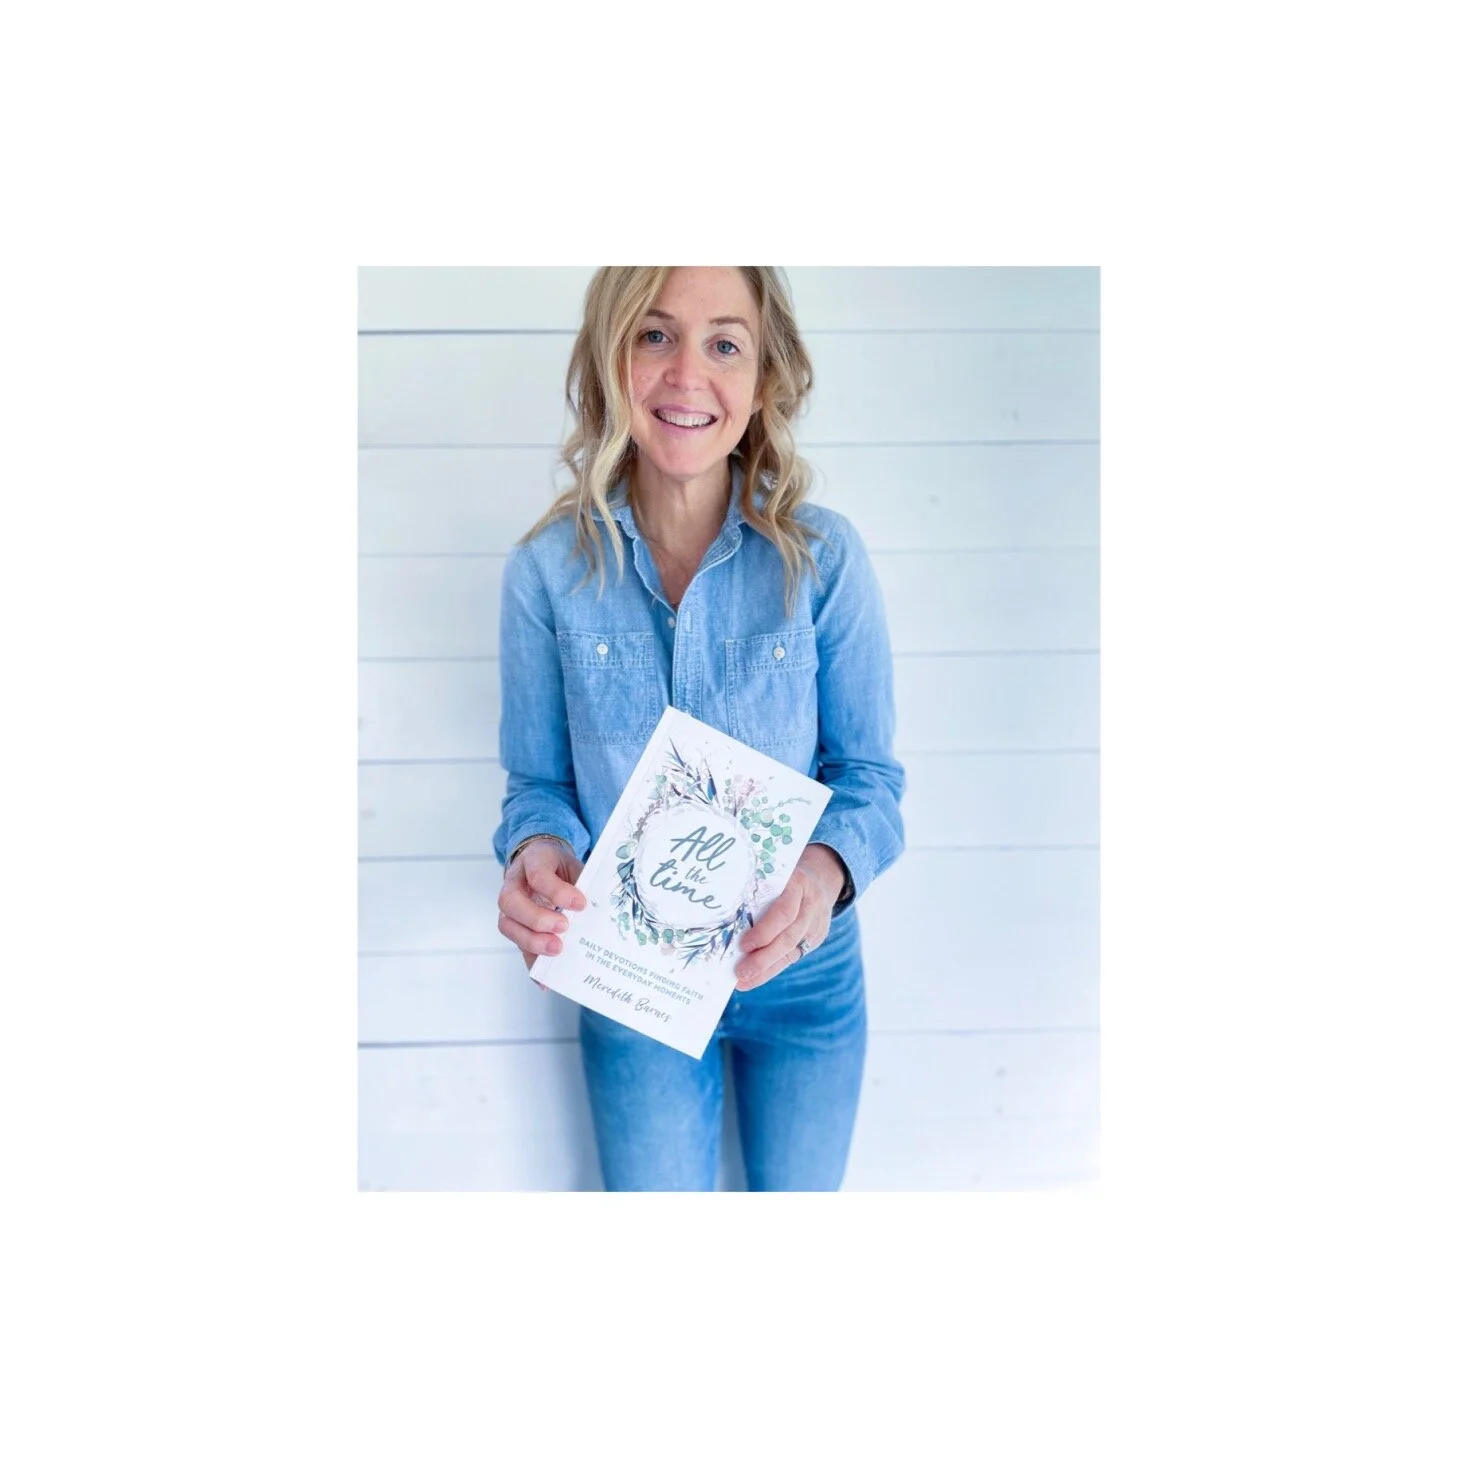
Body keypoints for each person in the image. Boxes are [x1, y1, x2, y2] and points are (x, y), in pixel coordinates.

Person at [492, 267, 904, 1191]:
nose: (687, 373)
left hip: (804, 978)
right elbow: (538, 787)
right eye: (654, 335)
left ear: (762, 379)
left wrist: (821, 875)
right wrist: (538, 851)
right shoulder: (546, 572)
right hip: (629, 982)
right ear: (610, 359)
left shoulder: (825, 560)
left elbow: (871, 779)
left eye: (724, 343)